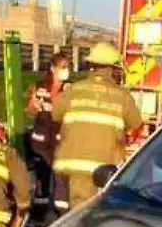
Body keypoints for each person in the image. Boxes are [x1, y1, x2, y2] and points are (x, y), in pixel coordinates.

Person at [51, 42, 143, 210]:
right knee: (89, 219)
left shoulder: (73, 90)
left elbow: (55, 114)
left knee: (75, 214)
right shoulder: (122, 96)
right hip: (102, 169)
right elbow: (136, 124)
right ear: (110, 69)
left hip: (72, 167)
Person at [24, 52, 71, 210]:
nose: (66, 71)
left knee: (61, 174)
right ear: (52, 68)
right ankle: (40, 204)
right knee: (42, 173)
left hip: (61, 137)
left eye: (68, 67)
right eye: (63, 67)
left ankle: (61, 208)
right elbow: (30, 111)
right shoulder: (39, 87)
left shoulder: (70, 89)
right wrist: (35, 105)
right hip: (41, 137)